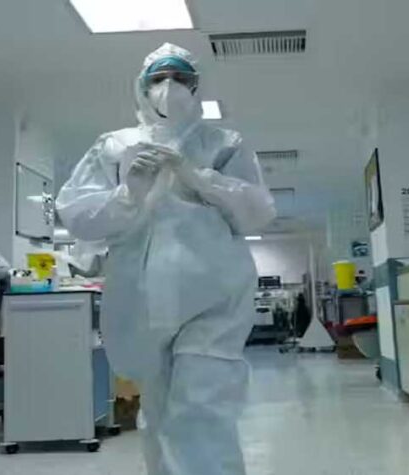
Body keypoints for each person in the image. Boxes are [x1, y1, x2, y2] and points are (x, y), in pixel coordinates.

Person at [56, 43, 276, 475]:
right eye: (158, 78)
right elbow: (78, 216)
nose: (169, 88)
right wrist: (128, 193)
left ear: (196, 87)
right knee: (158, 414)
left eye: (180, 78)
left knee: (201, 408)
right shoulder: (115, 146)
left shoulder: (224, 143)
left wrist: (201, 178)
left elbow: (258, 212)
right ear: (141, 87)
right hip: (141, 299)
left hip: (216, 294)